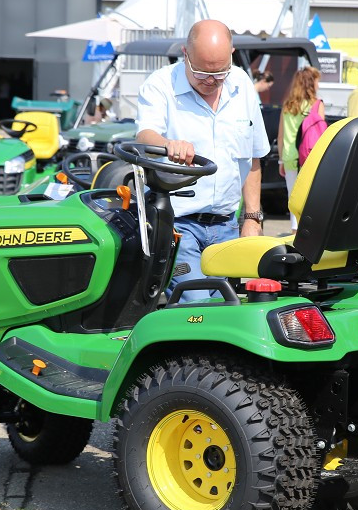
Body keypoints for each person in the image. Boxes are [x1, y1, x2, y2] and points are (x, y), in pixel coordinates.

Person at [136, 19, 269, 301]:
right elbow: (145, 134)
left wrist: (252, 218)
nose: (210, 81)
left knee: (226, 306)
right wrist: (167, 144)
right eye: (200, 73)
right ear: (185, 53)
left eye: (219, 73)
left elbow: (253, 159)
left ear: (231, 55)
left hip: (227, 226)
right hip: (179, 225)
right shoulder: (161, 85)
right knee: (195, 303)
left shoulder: (242, 85)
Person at [278, 66, 322, 232]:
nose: (318, 85)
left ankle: (294, 233)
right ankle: (309, 234)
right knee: (310, 198)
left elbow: (281, 136)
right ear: (311, 83)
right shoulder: (316, 105)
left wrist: (281, 160)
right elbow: (320, 134)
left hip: (290, 158)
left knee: (293, 198)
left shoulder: (288, 106)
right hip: (310, 158)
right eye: (317, 81)